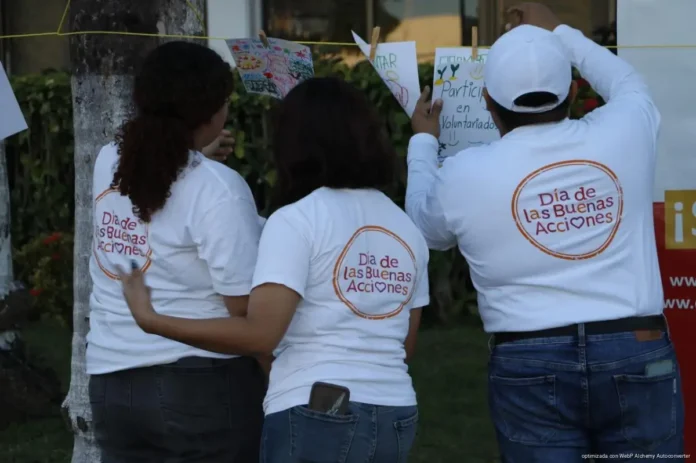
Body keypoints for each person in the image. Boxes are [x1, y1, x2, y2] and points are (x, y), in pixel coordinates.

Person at [406, 3, 683, 461]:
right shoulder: (627, 129)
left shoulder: (463, 174)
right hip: (634, 345)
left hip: (527, 357)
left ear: (488, 103)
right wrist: (559, 30)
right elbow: (626, 82)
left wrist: (422, 141)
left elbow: (423, 226)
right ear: (573, 91)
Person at [118, 76, 431, 463]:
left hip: (317, 409)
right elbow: (405, 346)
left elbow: (261, 335)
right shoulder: (406, 228)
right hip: (396, 413)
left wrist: (152, 319)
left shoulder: (298, 220)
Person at [87, 40, 266, 462]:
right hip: (201, 381)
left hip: (111, 380)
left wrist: (196, 155)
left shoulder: (109, 159)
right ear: (211, 113)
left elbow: (163, 185)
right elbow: (244, 307)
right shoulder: (218, 189)